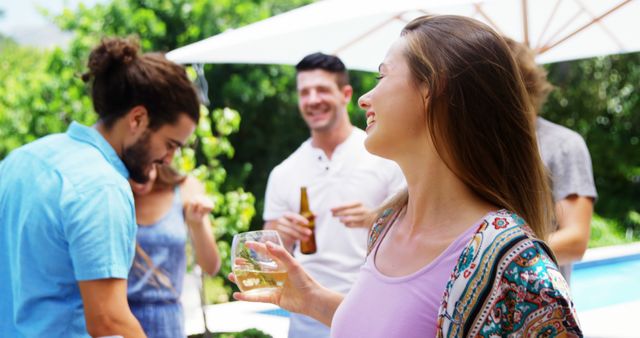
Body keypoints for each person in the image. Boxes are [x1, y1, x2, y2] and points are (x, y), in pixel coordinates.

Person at [233, 15, 582, 337]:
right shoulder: (388, 224)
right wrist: (312, 299)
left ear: (433, 88)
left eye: (382, 76)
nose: (365, 99)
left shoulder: (518, 269)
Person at [0, 37, 200, 337]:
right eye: (170, 144)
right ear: (137, 119)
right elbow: (108, 319)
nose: (169, 158)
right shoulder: (103, 186)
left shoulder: (23, 158)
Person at [262, 52, 405, 338]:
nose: (313, 99)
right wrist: (279, 235)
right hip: (304, 322)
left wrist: (375, 218)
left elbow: (416, 229)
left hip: (371, 316)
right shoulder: (283, 172)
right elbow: (267, 258)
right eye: (305, 92)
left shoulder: (384, 155)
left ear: (345, 94)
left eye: (322, 89)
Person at [505, 37, 597, 282]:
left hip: (540, 303)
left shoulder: (563, 145)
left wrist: (496, 254)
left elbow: (575, 240)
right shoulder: (474, 148)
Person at [127, 164, 221, 338]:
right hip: (120, 316)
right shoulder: (111, 187)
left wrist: (197, 223)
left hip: (169, 321)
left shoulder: (185, 187)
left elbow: (211, 266)